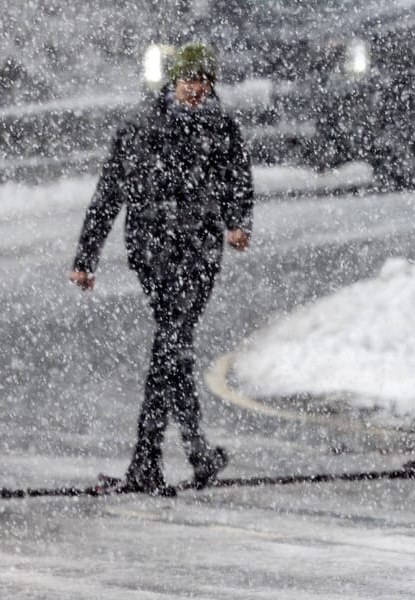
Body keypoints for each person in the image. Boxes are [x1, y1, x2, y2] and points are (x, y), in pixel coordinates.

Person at [71, 43, 253, 495]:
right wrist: (85, 257)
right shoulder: (141, 125)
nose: (195, 89)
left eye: (203, 81)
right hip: (154, 251)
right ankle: (169, 456)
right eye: (188, 80)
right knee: (173, 344)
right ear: (172, 81)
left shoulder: (220, 124)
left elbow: (238, 178)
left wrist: (237, 221)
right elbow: (110, 191)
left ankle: (170, 458)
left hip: (200, 250)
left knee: (173, 346)